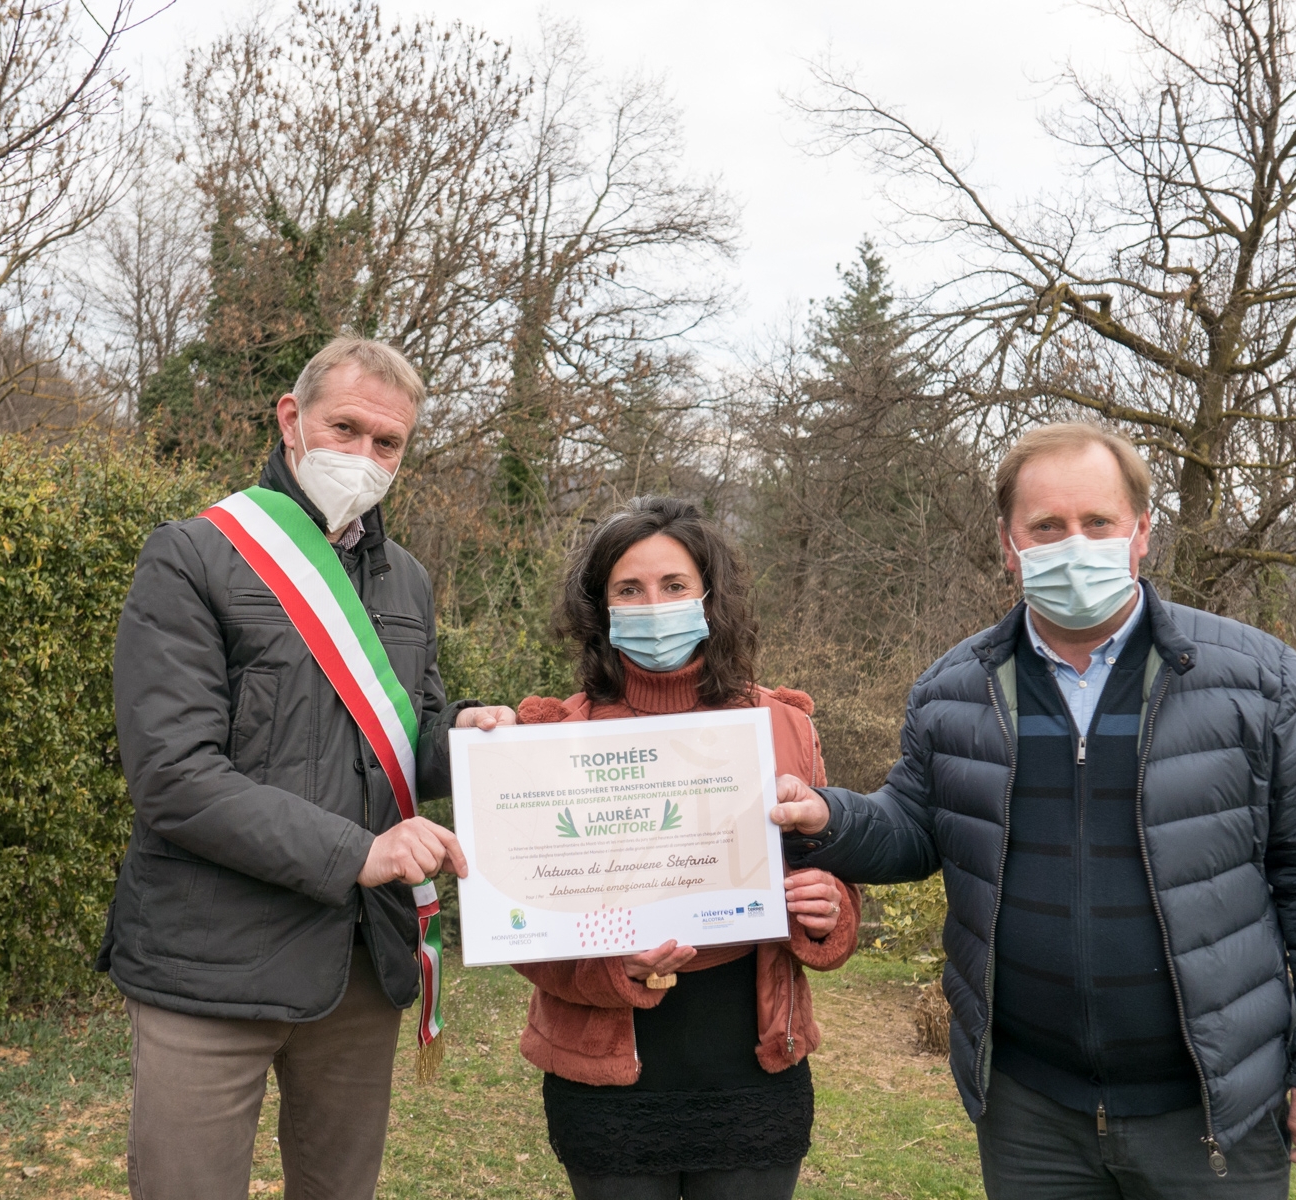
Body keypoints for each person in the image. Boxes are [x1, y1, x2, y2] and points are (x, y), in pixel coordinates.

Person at [771, 423, 1296, 1198]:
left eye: (1097, 522)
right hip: (1031, 1112)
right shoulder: (954, 688)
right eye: (1047, 526)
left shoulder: (1256, 680)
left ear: (1142, 533)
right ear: (1009, 544)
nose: (1074, 544)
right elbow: (916, 827)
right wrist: (829, 819)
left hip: (1206, 1110)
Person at [98, 337, 516, 1200]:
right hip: (209, 962)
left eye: (387, 443)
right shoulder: (194, 554)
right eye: (346, 428)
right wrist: (359, 855)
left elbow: (401, 739)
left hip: (356, 968)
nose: (363, 457)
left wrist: (462, 737)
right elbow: (174, 776)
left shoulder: (409, 581)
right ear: (292, 420)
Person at [511, 496, 861, 1200]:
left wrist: (830, 910)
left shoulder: (784, 726)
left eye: (674, 586)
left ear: (709, 596)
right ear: (600, 608)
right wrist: (610, 963)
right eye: (629, 590)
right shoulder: (549, 737)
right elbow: (526, 932)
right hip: (607, 1083)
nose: (654, 605)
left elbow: (838, 884)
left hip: (753, 1076)